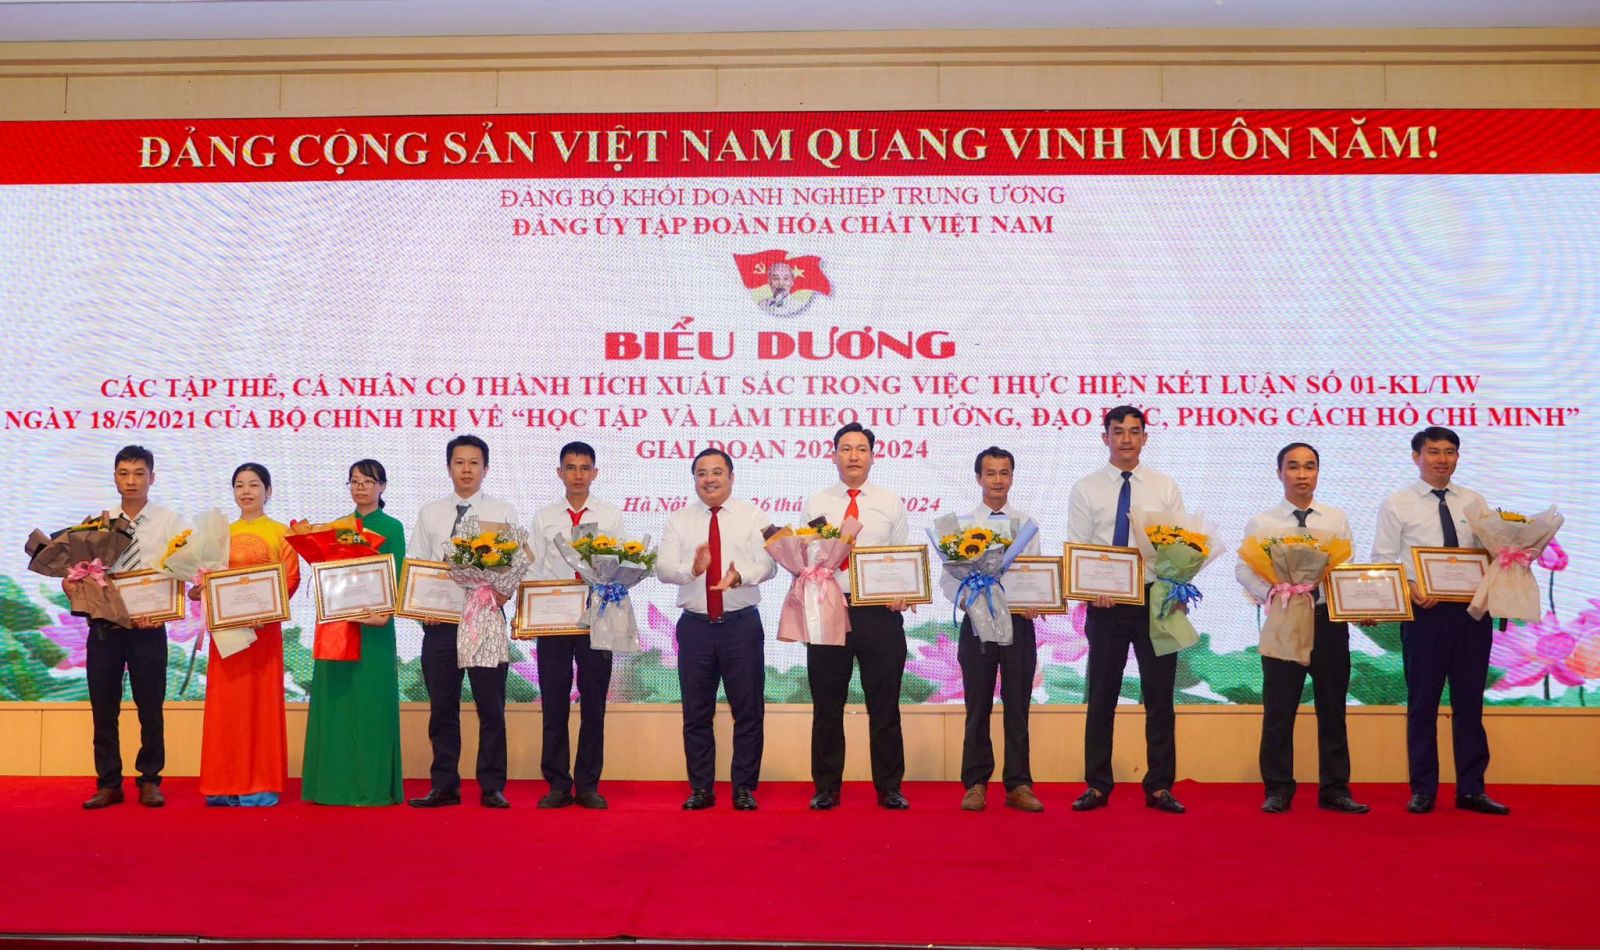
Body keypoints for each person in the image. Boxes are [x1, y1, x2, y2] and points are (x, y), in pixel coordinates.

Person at [1372, 426, 1509, 816]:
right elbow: (1383, 559)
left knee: (1470, 704)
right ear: (1416, 457)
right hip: (1425, 616)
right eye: (1433, 452)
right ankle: (1423, 789)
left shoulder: (1474, 502)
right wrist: (1410, 586)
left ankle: (1472, 790)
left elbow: (1489, 552)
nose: (1442, 459)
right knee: (1422, 704)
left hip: (1471, 616)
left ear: (1457, 457)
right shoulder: (1397, 503)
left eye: (1450, 452)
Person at [1067, 406, 1188, 814]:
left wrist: (1177, 579)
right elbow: (1079, 547)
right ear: (1105, 437)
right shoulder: (1086, 488)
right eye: (1118, 431)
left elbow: (1179, 544)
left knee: (1160, 697)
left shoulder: (1164, 486)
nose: (1126, 439)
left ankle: (1160, 786)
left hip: (1157, 601)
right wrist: (1091, 590)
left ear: (1145, 438)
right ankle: (1097, 784)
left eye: (1134, 432)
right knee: (1102, 696)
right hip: (1107, 606)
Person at [1235, 443, 1368, 815]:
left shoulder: (1336, 519)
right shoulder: (1263, 523)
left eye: (1309, 466)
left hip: (1327, 622)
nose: (1302, 474)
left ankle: (1335, 789)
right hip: (1284, 620)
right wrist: (1272, 593)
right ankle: (1278, 789)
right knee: (1279, 709)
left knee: (1333, 709)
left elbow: (1347, 567)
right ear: (1279, 473)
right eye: (1293, 467)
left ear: (1318, 473)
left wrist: (1358, 603)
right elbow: (1243, 568)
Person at [657, 448, 777, 810]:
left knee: (748, 711)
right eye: (702, 473)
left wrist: (740, 576)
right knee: (696, 713)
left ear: (731, 477)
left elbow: (769, 564)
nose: (709, 479)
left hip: (741, 627)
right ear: (694, 479)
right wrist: (692, 570)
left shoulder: (753, 516)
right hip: (695, 629)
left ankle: (744, 788)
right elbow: (663, 568)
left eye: (717, 472)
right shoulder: (679, 520)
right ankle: (701, 788)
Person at [803, 422, 913, 810]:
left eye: (861, 449)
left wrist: (903, 591)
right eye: (846, 449)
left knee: (885, 704)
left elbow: (902, 557)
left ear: (872, 456)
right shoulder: (817, 502)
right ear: (833, 455)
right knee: (827, 705)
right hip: (830, 607)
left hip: (879, 614)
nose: (854, 456)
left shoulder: (890, 502)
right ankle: (826, 787)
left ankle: (890, 787)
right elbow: (807, 557)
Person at [407, 434, 519, 809]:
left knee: (491, 707)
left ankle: (492, 786)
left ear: (485, 468)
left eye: (474, 462)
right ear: (449, 467)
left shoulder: (502, 511)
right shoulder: (430, 512)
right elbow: (416, 563)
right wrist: (421, 605)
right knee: (442, 708)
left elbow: (514, 563)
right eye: (459, 462)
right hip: (440, 623)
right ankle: (444, 785)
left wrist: (504, 592)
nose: (466, 469)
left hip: (485, 620)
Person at [79, 445, 190, 809]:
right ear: (115, 477)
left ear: (152, 477)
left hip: (149, 628)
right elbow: (83, 571)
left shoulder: (171, 523)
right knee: (103, 709)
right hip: (105, 628)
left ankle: (150, 779)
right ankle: (108, 783)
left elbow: (184, 571)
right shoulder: (97, 523)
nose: (131, 481)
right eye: (124, 473)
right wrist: (73, 579)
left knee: (150, 708)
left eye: (139, 473)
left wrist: (163, 609)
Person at [301, 459, 405, 806]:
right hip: (339, 627)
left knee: (372, 705)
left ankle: (371, 787)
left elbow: (396, 574)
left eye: (368, 481)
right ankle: (332, 786)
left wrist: (384, 614)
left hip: (375, 629)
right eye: (355, 482)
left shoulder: (392, 527)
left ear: (382, 487)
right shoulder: (337, 527)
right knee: (338, 706)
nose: (361, 487)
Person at [945, 446, 1044, 813]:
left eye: (1004, 473)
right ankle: (975, 783)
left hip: (1018, 622)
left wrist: (1037, 599)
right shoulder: (960, 527)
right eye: (990, 473)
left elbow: (1036, 570)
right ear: (979, 478)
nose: (997, 480)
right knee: (977, 706)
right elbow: (947, 580)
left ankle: (1019, 784)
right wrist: (969, 600)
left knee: (1018, 705)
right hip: (977, 623)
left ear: (1012, 477)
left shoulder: (1027, 524)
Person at [198, 462, 300, 807]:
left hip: (263, 633)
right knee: (227, 708)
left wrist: (263, 612)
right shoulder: (219, 535)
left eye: (254, 484)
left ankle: (260, 784)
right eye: (240, 485)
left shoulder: (282, 533)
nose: (246, 491)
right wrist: (201, 588)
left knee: (261, 706)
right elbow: (207, 577)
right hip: (227, 634)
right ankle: (222, 784)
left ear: (268, 491)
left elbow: (290, 578)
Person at [530, 440, 623, 810]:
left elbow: (618, 564)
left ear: (595, 473)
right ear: (560, 472)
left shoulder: (610, 516)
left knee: (594, 704)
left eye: (585, 468)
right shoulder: (544, 517)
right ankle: (557, 784)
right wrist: (533, 611)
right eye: (571, 467)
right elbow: (534, 569)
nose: (578, 475)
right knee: (554, 702)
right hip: (554, 620)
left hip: (597, 616)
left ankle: (587, 785)